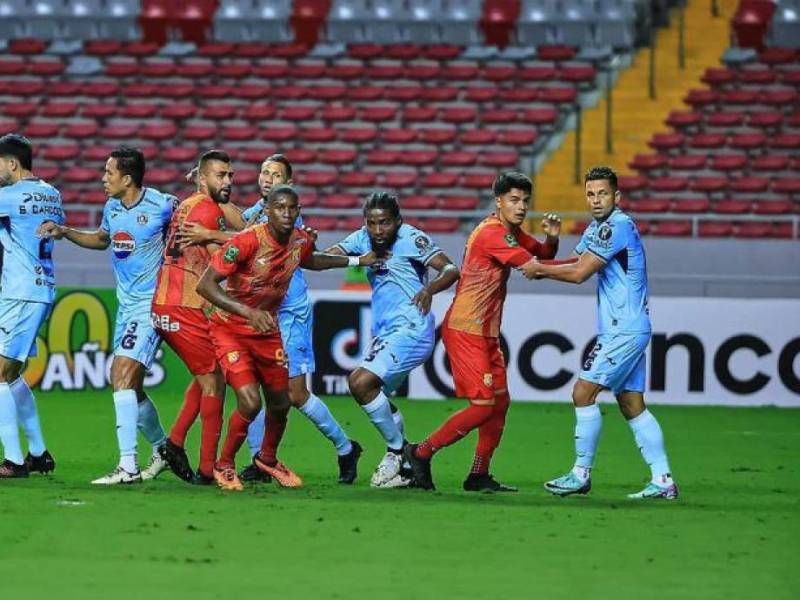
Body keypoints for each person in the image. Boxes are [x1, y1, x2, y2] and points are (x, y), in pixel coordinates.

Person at [177, 154, 361, 485]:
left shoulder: (299, 236)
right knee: (251, 399)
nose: (267, 178)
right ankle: (226, 462)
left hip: (279, 319)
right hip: (237, 325)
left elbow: (313, 260)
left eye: (276, 175)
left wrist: (358, 260)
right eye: (264, 172)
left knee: (286, 399)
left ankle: (274, 458)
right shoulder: (250, 229)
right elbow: (215, 271)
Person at [527, 166, 678, 500]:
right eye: (591, 194)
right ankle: (663, 479)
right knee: (631, 403)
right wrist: (548, 251)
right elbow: (576, 258)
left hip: (623, 329)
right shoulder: (599, 228)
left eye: (603, 193)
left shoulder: (617, 227)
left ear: (616, 196)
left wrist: (540, 270)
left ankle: (580, 474)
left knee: (582, 393)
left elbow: (580, 273)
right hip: (627, 328)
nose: (596, 200)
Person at [404, 171, 561, 492]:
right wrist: (589, 263)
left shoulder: (510, 230)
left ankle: (478, 474)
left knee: (499, 404)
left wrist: (554, 238)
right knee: (482, 406)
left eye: (525, 201)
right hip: (465, 329)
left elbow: (543, 255)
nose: (521, 207)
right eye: (514, 201)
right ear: (498, 202)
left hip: (486, 332)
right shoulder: (492, 233)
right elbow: (533, 269)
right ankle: (420, 452)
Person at [39, 146, 174, 484]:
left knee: (121, 373)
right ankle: (163, 448)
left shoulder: (164, 205)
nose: (103, 178)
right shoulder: (113, 207)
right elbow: (102, 240)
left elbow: (197, 225)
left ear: (127, 178)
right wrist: (66, 231)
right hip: (125, 305)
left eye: (108, 172)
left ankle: (128, 466)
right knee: (131, 386)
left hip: (150, 305)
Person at [326, 191, 460, 488]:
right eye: (372, 223)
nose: (377, 230)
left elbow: (451, 269)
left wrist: (431, 289)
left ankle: (398, 452)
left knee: (360, 382)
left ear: (397, 221)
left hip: (413, 329)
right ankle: (406, 462)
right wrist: (358, 260)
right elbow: (323, 258)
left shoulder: (412, 239)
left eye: (384, 223)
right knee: (375, 395)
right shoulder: (363, 239)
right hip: (386, 333)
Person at [151, 150, 230, 485]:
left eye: (229, 175)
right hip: (183, 306)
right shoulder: (209, 211)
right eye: (220, 175)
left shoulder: (187, 204)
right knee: (215, 380)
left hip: (170, 303)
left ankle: (175, 443)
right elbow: (224, 260)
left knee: (207, 375)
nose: (227, 182)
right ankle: (207, 468)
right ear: (202, 177)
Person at [0, 134, 61, 478]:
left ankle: (14, 460)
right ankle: (38, 453)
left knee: (0, 374)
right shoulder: (52, 194)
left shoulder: (8, 196)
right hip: (39, 288)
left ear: (12, 163)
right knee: (11, 375)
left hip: (21, 290)